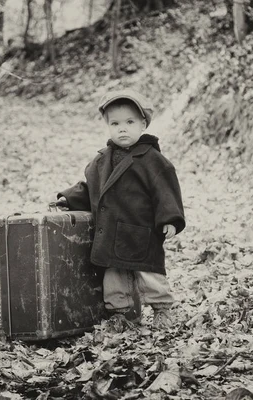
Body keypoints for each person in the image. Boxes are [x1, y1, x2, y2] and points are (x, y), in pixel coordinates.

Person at [56, 88, 186, 332]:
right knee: (114, 277)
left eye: (129, 122)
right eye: (115, 123)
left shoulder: (152, 159)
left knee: (148, 274)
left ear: (143, 124)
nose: (122, 128)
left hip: (141, 230)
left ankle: (162, 310)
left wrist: (170, 218)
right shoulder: (101, 160)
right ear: (107, 126)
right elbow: (90, 187)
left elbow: (166, 190)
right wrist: (69, 199)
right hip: (111, 231)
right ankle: (122, 314)